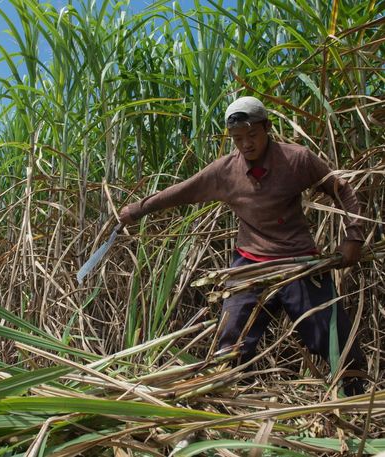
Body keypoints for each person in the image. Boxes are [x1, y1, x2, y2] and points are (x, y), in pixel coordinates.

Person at [119, 96, 366, 396]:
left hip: (299, 261)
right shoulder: (224, 172)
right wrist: (139, 209)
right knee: (232, 342)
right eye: (237, 139)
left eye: (252, 135)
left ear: (267, 128)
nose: (246, 144)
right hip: (250, 263)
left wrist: (353, 237)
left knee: (331, 335)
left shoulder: (297, 159)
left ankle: (357, 395)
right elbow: (180, 192)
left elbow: (342, 189)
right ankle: (234, 402)